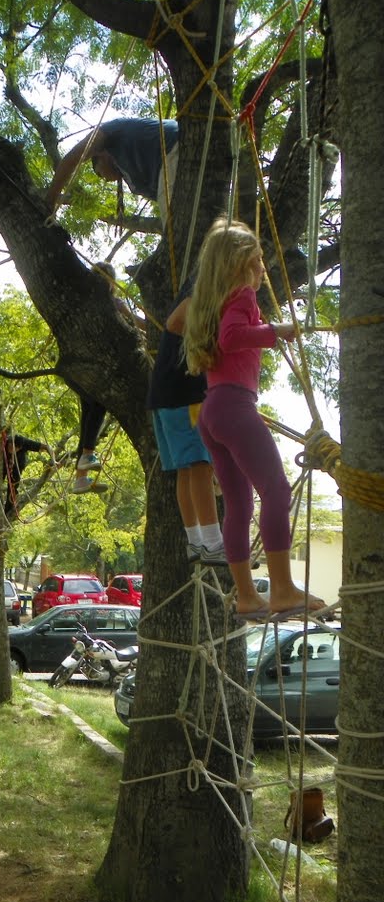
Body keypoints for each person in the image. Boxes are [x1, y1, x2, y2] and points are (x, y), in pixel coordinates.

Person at [183, 217, 324, 618]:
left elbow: (225, 338)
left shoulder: (213, 303)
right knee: (276, 490)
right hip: (233, 406)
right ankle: (282, 589)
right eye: (259, 260)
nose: (264, 268)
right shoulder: (243, 297)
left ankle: (246, 595)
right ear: (241, 263)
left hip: (212, 411)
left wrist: (266, 330)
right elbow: (232, 338)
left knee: (239, 503)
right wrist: (274, 330)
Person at [147, 287, 226, 564]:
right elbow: (184, 321)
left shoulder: (196, 306)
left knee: (187, 469)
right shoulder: (197, 302)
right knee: (200, 465)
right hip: (184, 399)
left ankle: (195, 541)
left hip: (167, 398)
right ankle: (213, 543)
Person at [46, 117, 179, 225]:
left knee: (175, 230)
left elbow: (72, 159)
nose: (106, 180)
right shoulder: (131, 177)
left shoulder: (112, 130)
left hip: (171, 150)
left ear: (100, 155)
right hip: (170, 163)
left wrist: (50, 201)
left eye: (100, 174)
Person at [73, 262, 133, 494]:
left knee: (89, 413)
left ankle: (80, 478)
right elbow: (136, 323)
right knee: (99, 403)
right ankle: (87, 454)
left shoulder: (85, 303)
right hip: (88, 368)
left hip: (79, 368)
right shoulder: (110, 304)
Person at [0, 431, 56, 516]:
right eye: (10, 447)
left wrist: (54, 461)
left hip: (17, 468)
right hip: (2, 467)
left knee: (12, 491)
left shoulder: (25, 443)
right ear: (9, 443)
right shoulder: (1, 441)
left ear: (20, 447)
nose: (12, 450)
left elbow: (47, 447)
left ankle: (7, 512)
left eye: (16, 449)